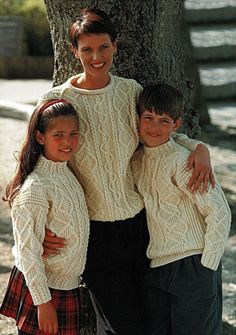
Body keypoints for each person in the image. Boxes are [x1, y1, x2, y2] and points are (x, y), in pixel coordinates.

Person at [37, 8, 215, 335]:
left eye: (103, 47)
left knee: (150, 322)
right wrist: (36, 230)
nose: (96, 56)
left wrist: (199, 148)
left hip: (141, 227)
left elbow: (161, 134)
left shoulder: (129, 91)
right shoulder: (59, 99)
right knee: (123, 327)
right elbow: (35, 165)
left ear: (115, 46)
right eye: (87, 49)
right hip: (93, 233)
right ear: (73, 51)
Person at [131, 83, 231, 335]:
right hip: (157, 266)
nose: (154, 127)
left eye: (164, 121)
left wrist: (207, 265)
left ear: (176, 125)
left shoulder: (182, 160)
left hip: (192, 262)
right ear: (138, 118)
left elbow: (219, 211)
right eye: (148, 118)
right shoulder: (136, 161)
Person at [0, 100, 90, 335]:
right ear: (41, 137)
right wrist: (42, 302)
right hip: (42, 289)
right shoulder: (35, 188)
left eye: (73, 134)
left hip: (67, 288)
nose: (68, 142)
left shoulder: (67, 173)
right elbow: (27, 250)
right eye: (58, 135)